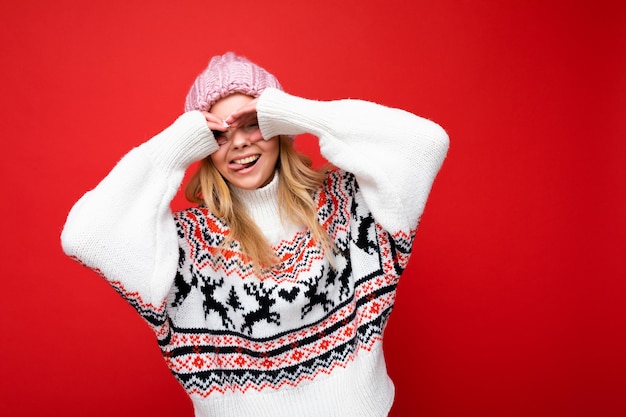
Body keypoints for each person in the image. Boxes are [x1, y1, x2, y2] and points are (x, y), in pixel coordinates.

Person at [61, 52, 449, 417]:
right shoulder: (183, 246)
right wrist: (174, 147)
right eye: (219, 135)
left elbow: (426, 143)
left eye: (253, 124)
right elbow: (84, 235)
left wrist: (295, 112)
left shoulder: (347, 204)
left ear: (277, 127)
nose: (241, 142)